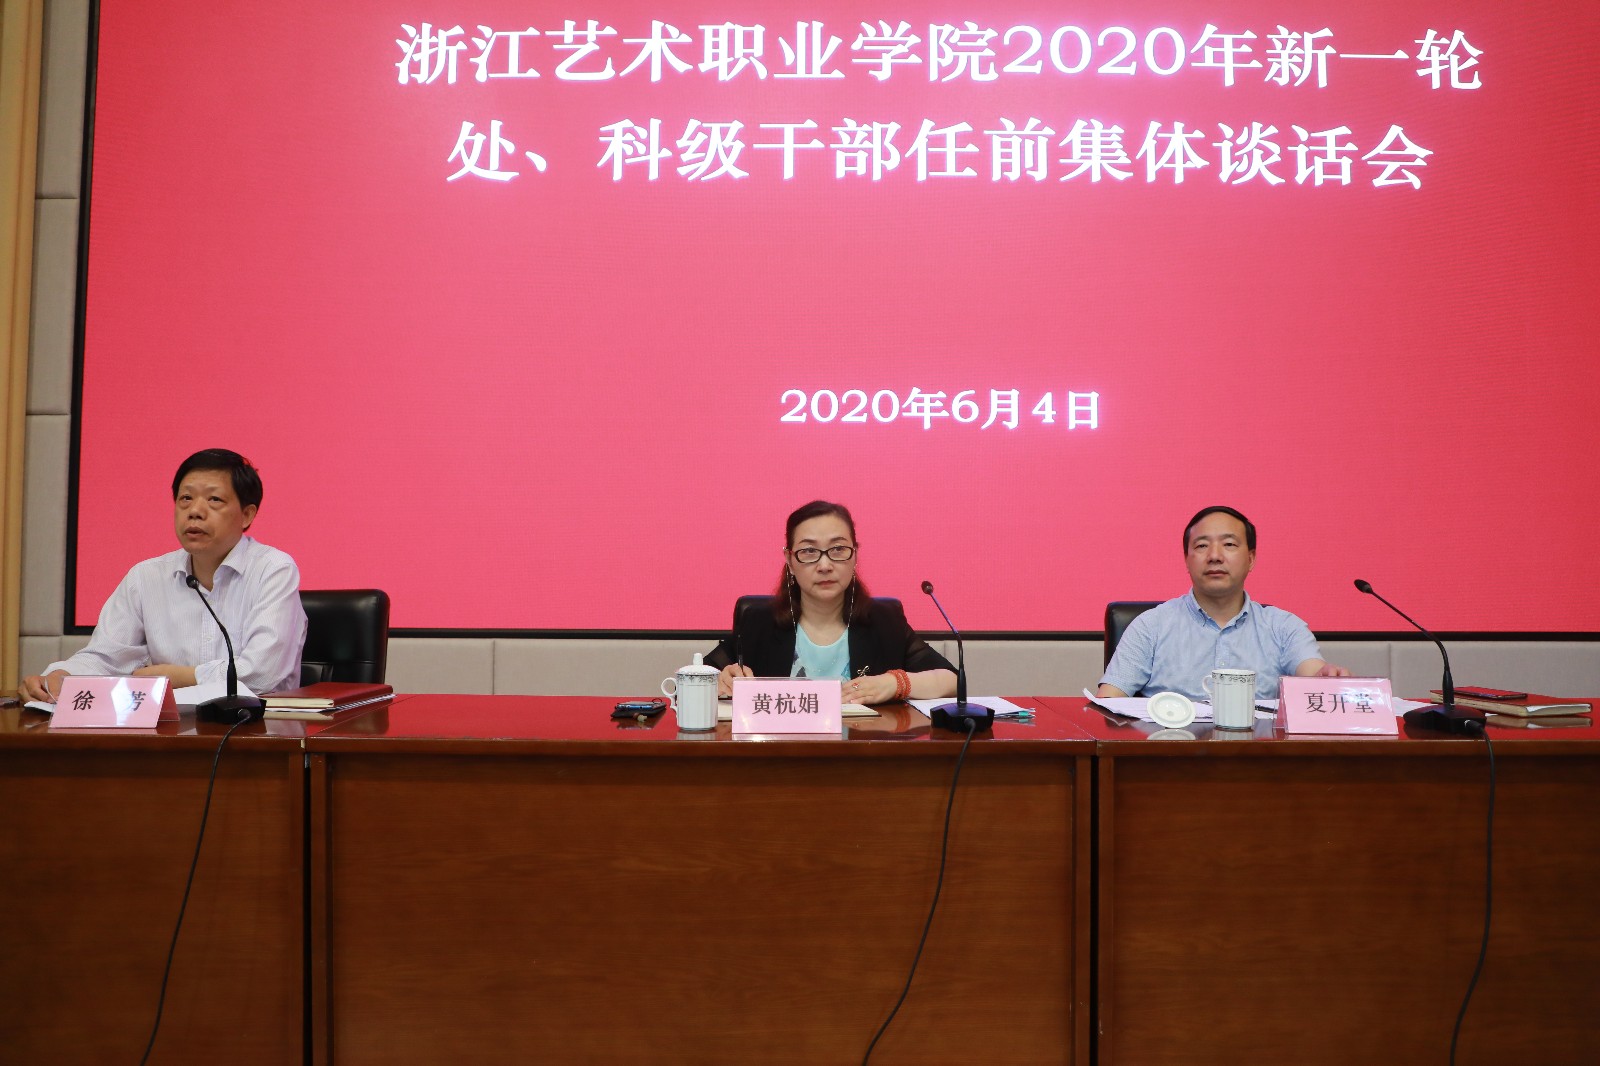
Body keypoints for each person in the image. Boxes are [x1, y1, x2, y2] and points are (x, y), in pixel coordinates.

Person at [19, 448, 307, 703]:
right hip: (169, 730)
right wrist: (60, 677)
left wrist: (181, 677)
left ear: (247, 515)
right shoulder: (146, 577)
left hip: (258, 731)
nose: (195, 511)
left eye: (214, 499)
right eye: (185, 498)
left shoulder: (273, 570)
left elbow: (261, 674)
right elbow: (107, 659)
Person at [705, 500, 957, 705]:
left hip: (862, 749)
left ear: (855, 555)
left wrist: (895, 683)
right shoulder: (759, 621)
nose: (824, 565)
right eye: (809, 551)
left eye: (837, 549)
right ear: (790, 561)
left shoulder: (884, 620)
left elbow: (952, 680)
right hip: (780, 750)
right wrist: (721, 680)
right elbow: (700, 675)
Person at [1096, 505, 1350, 702]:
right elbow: (1108, 702)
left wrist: (1325, 677)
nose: (1215, 556)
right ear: (1187, 560)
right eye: (1202, 546)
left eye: (1229, 544)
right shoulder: (1150, 626)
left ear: (1251, 559)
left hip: (1259, 753)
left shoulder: (1284, 627)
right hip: (1170, 749)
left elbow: (1313, 674)